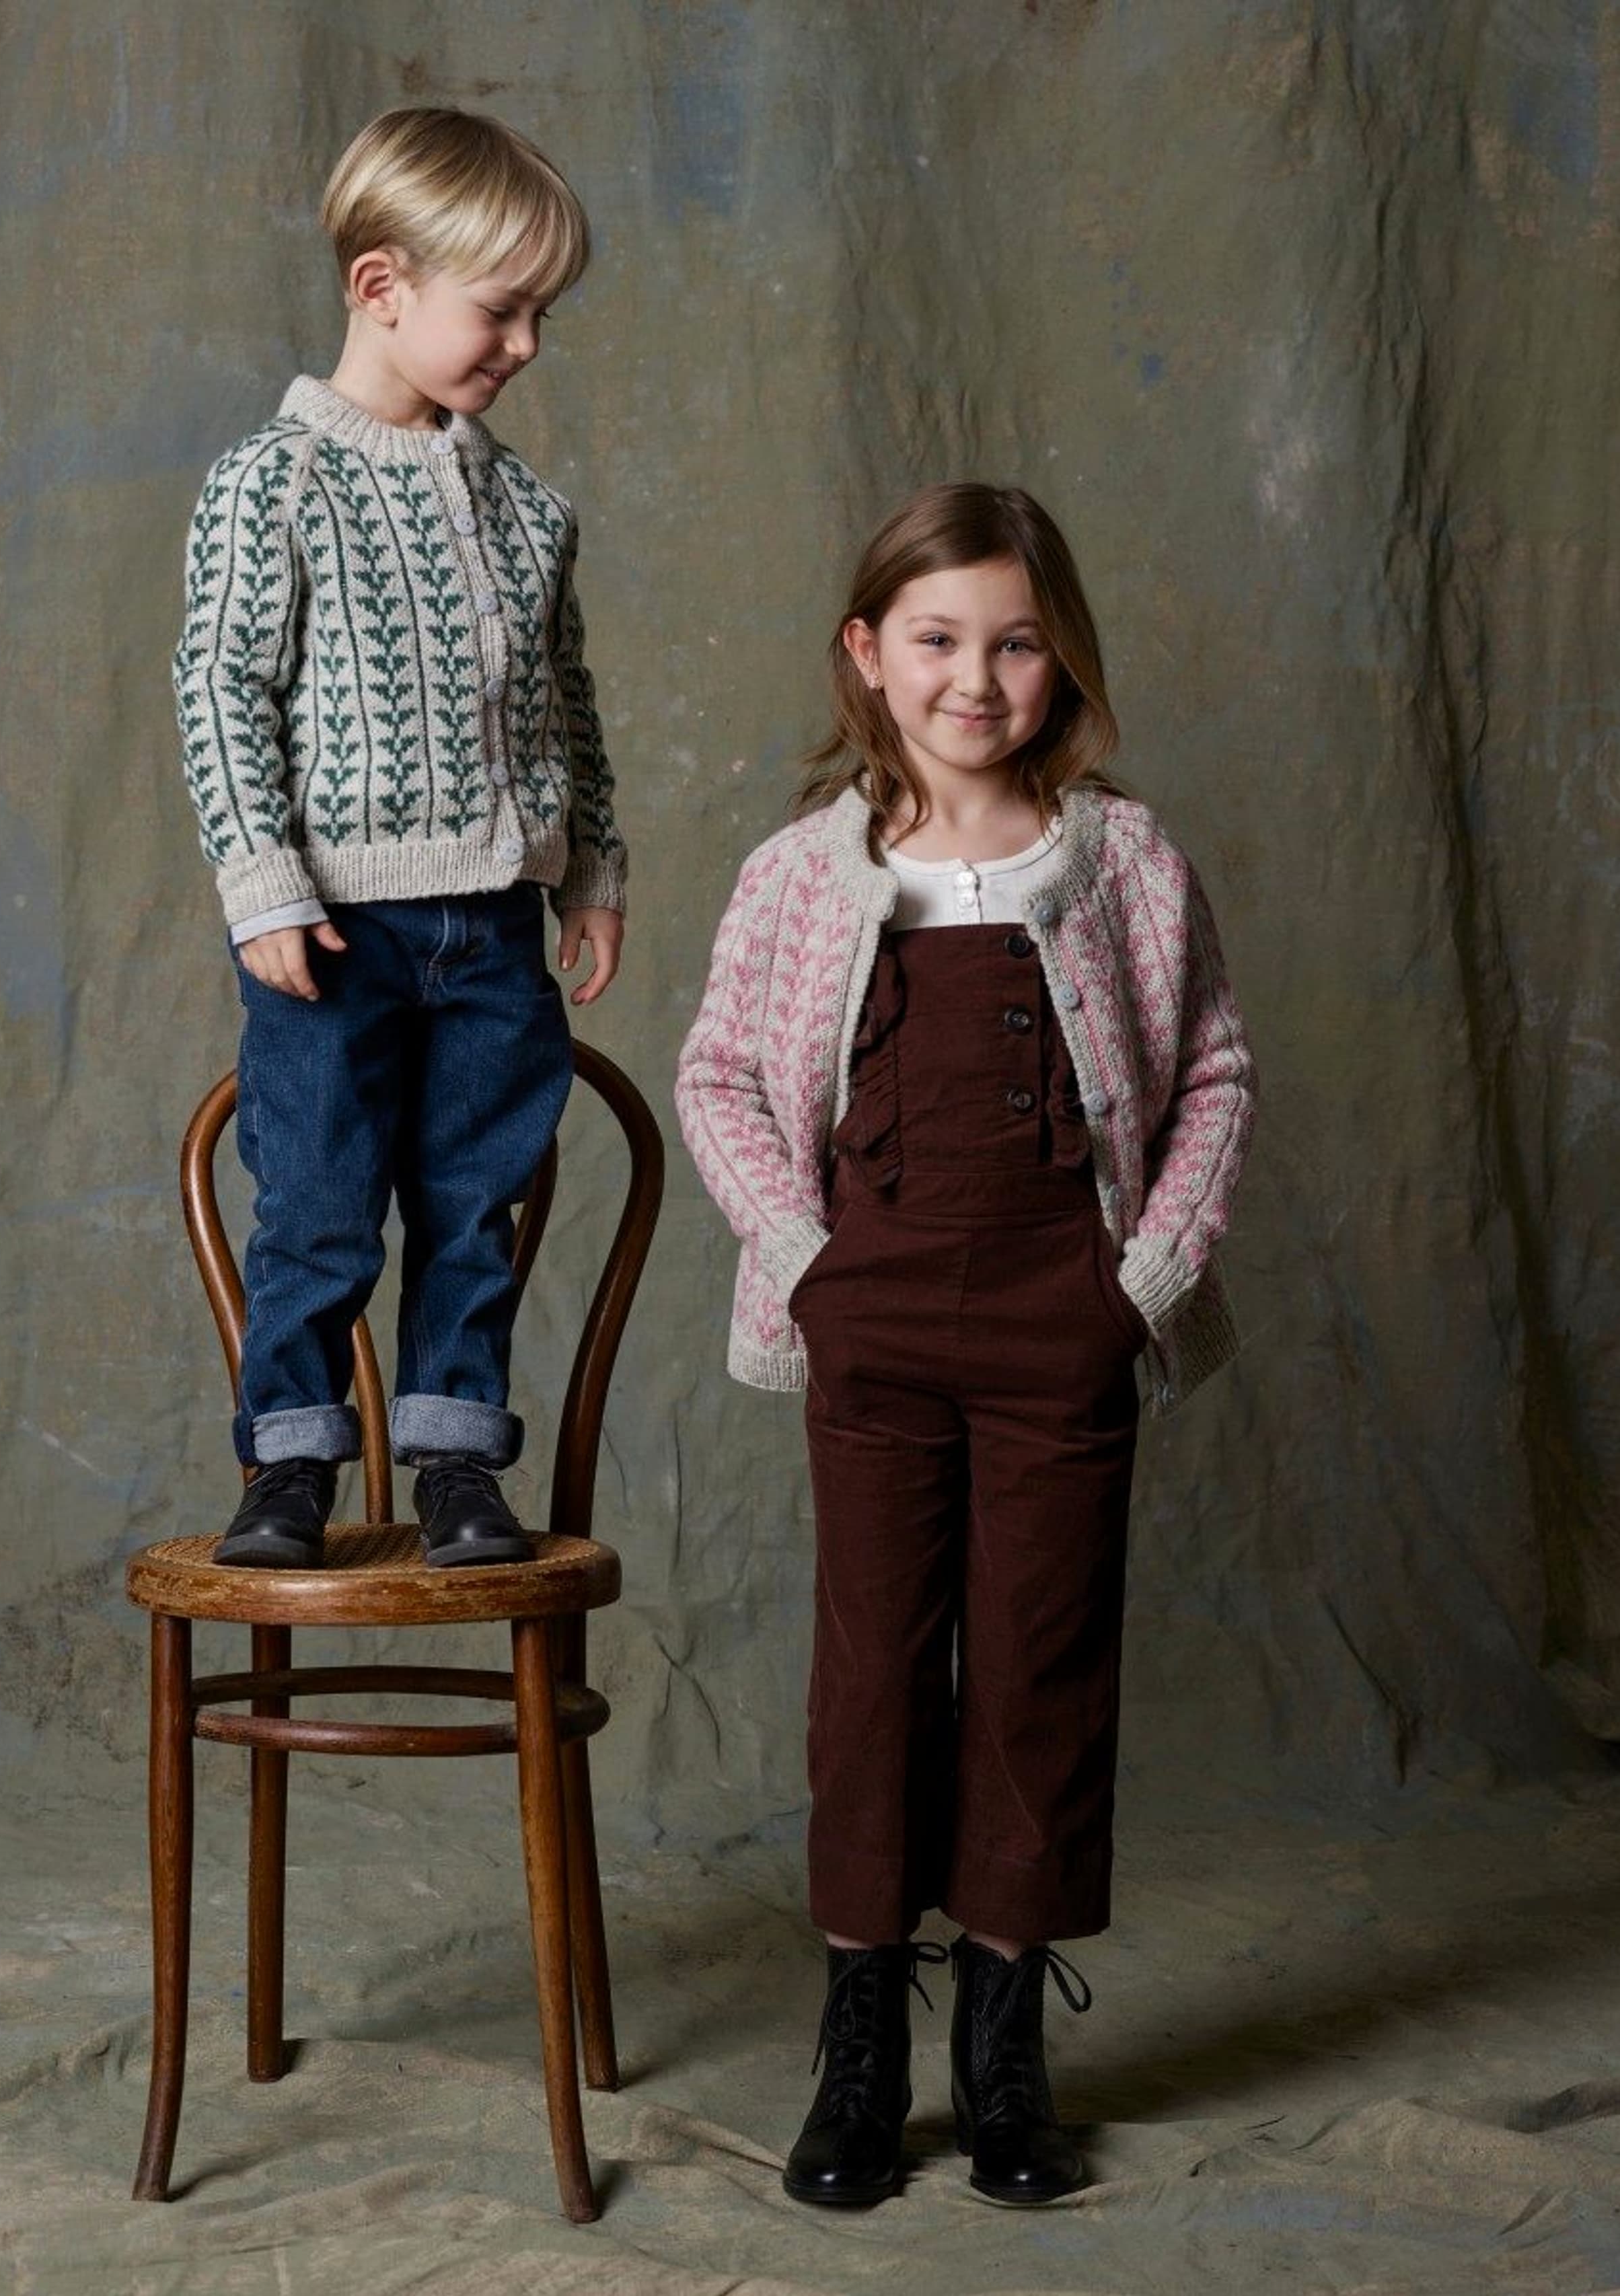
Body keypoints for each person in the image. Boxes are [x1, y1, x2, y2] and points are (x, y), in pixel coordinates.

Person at [676, 484, 1255, 2208]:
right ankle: (858, 2049)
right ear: (868, 653)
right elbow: (719, 1074)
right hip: (867, 1316)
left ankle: (1004, 2052)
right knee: (870, 1675)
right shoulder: (801, 873)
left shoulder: (1122, 860)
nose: (975, 681)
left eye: (1015, 644)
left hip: (1057, 1314)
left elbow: (1213, 1069)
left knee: (1037, 1669)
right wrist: (802, 1261)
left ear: (1057, 660)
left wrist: (1141, 1280)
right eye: (937, 640)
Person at [174, 107, 625, 1570]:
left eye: (542, 315)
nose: (527, 345)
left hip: (493, 930)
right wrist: (261, 887)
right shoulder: (273, 481)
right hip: (333, 932)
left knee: (474, 1204)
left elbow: (567, 701)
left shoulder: (527, 509)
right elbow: (221, 687)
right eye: (502, 310)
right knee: (316, 1204)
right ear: (383, 287)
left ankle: (456, 1464)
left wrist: (591, 869)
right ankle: (290, 1465)